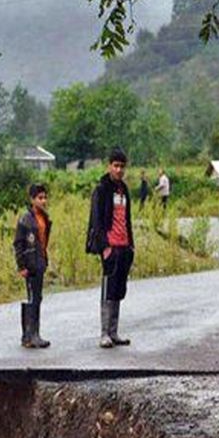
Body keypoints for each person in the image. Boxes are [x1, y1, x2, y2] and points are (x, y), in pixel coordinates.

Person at [86, 147, 135, 348]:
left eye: (122, 166)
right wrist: (104, 247)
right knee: (107, 290)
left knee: (118, 290)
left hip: (124, 246)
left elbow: (127, 219)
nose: (119, 170)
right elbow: (96, 221)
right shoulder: (101, 189)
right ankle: (104, 333)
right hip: (110, 246)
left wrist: (131, 244)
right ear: (109, 166)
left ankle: (114, 332)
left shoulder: (124, 190)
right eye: (116, 166)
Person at [13, 183, 52, 348]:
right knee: (32, 299)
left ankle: (32, 334)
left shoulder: (44, 218)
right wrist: (21, 265)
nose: (43, 201)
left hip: (39, 262)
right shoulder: (25, 220)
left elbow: (43, 242)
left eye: (44, 197)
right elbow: (18, 244)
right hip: (30, 264)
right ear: (32, 199)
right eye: (39, 198)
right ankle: (29, 335)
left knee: (37, 298)